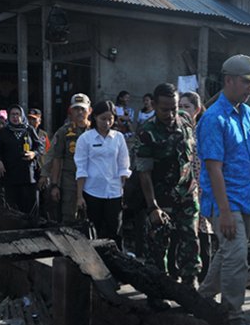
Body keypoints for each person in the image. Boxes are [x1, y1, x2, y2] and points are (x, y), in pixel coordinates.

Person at [197, 54, 250, 325]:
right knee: (237, 257)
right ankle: (232, 314)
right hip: (224, 200)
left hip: (246, 196)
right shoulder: (214, 118)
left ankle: (202, 297)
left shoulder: (248, 114)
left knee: (229, 254)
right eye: (246, 81)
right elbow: (214, 168)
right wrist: (224, 211)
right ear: (229, 80)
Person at [135, 83, 201, 299]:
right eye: (165, 109)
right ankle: (157, 292)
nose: (171, 114)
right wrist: (152, 207)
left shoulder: (186, 120)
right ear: (153, 105)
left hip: (187, 193)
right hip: (161, 198)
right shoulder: (147, 132)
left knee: (190, 240)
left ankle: (190, 286)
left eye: (173, 108)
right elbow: (144, 173)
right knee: (158, 246)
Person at [75, 100, 131, 247]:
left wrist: (123, 190)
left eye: (110, 119)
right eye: (103, 119)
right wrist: (79, 196)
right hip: (92, 191)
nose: (107, 123)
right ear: (95, 118)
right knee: (94, 231)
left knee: (115, 231)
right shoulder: (85, 138)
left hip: (114, 192)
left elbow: (123, 165)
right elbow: (81, 168)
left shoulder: (118, 137)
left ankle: (119, 263)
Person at [43, 93, 92, 224]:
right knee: (69, 216)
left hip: (92, 179)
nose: (80, 112)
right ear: (71, 111)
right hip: (70, 180)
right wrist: (54, 185)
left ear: (90, 110)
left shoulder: (96, 130)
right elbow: (56, 158)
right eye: (76, 109)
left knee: (92, 216)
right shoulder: (64, 132)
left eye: (83, 109)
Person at [179, 91, 212, 281]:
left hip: (202, 189)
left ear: (197, 109)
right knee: (182, 236)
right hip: (182, 191)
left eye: (187, 107)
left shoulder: (203, 131)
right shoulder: (176, 131)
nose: (182, 111)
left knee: (202, 234)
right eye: (180, 107)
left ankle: (205, 279)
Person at [0, 105, 43, 214]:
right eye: (13, 114)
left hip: (28, 175)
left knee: (30, 208)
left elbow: (40, 146)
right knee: (13, 209)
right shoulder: (4, 131)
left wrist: (33, 153)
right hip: (11, 175)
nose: (15, 117)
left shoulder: (29, 129)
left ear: (22, 116)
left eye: (18, 114)